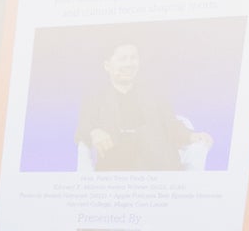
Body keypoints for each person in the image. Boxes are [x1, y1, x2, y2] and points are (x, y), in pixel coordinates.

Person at [77, 42, 209, 172]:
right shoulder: (96, 97)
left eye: (133, 58)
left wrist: (192, 136)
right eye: (123, 59)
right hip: (116, 173)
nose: (129, 64)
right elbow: (83, 126)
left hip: (159, 169)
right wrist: (94, 132)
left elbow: (171, 125)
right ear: (107, 65)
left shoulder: (154, 94)